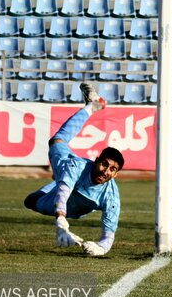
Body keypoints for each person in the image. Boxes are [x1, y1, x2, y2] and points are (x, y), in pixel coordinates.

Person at [24, 84, 125, 256]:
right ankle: (91, 107)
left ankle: (91, 106)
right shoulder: (77, 166)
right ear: (96, 161)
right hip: (65, 189)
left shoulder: (112, 196)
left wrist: (100, 248)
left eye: (112, 170)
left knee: (31, 201)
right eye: (104, 164)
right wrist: (60, 218)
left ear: (116, 174)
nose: (106, 171)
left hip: (74, 209)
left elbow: (108, 236)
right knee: (57, 142)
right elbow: (63, 192)